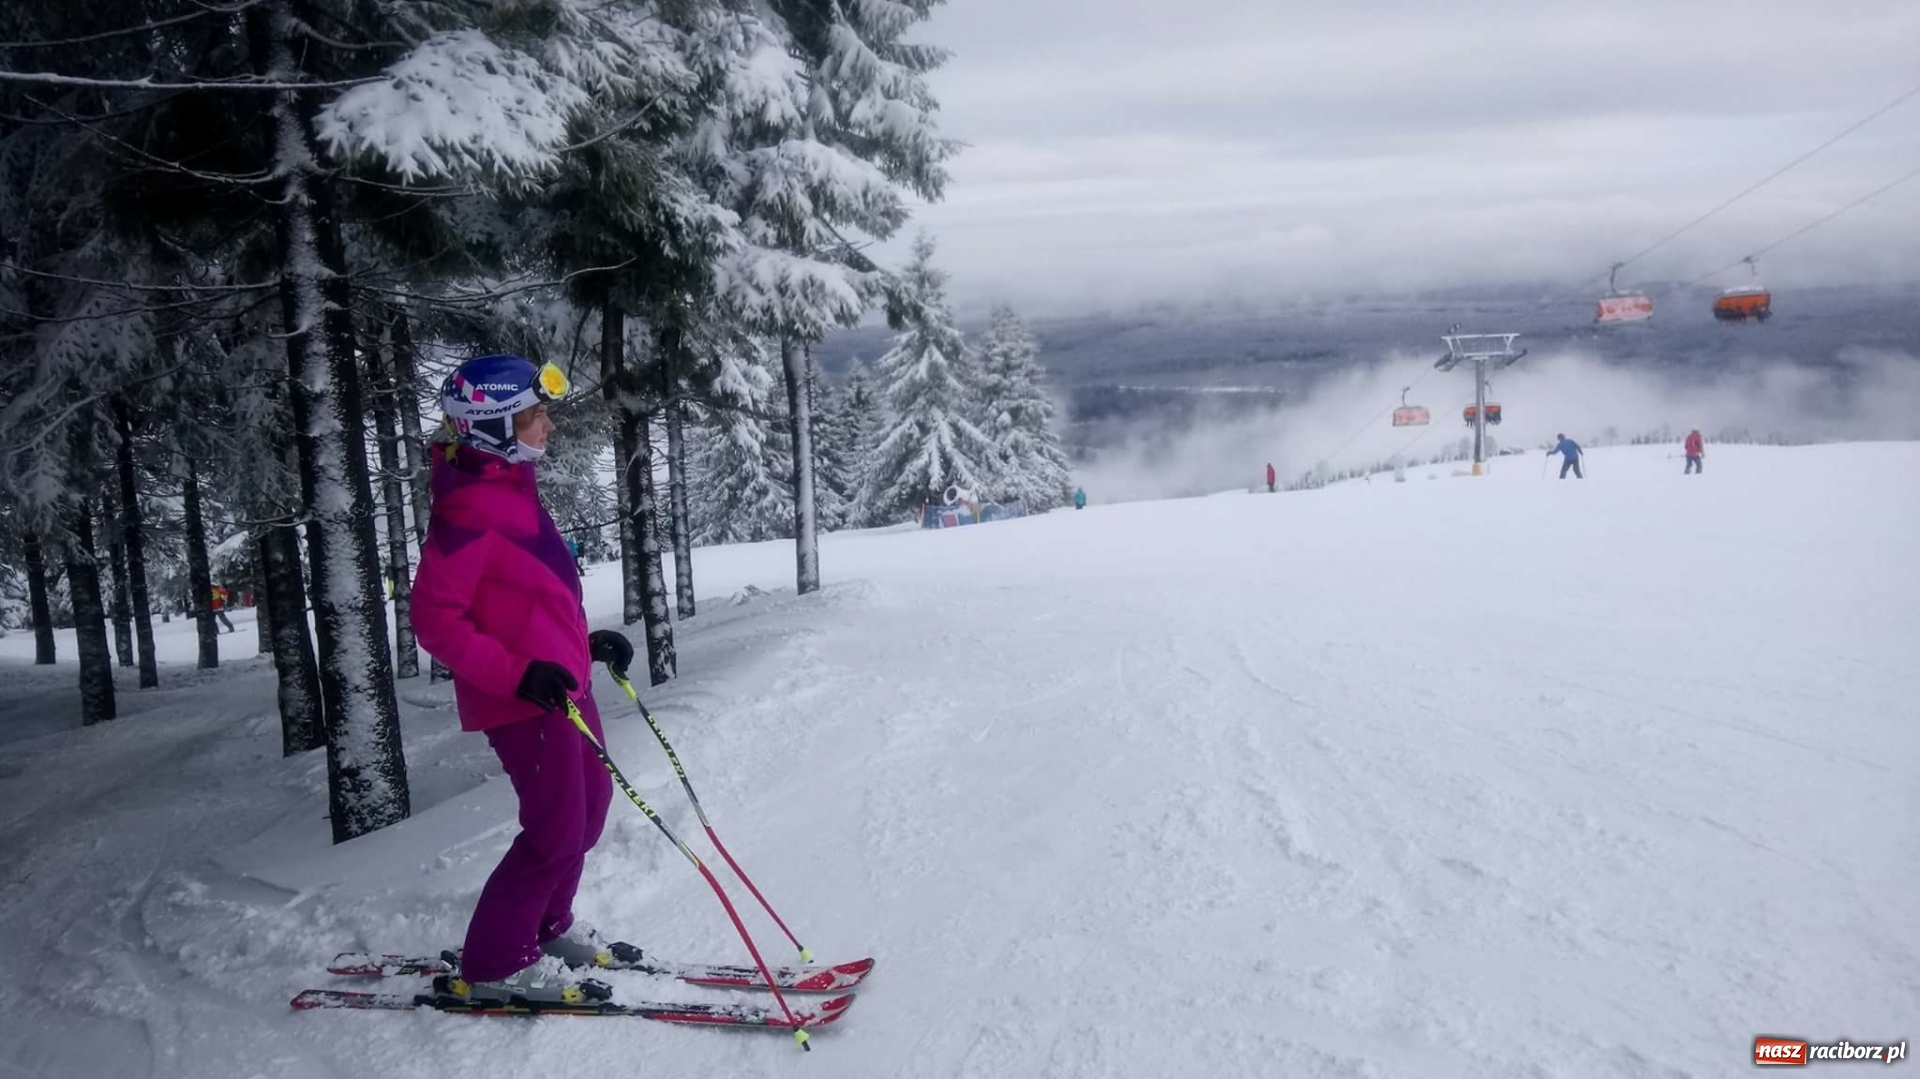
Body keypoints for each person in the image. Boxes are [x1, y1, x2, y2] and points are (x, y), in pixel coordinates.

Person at [411, 354, 637, 1006]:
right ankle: (496, 961)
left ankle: (544, 926)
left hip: (562, 684)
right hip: (524, 702)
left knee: (589, 813)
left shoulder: (512, 486)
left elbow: (524, 596)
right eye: (538, 416)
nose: (550, 427)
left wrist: (581, 643)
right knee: (555, 830)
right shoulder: (468, 510)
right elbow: (435, 618)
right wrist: (518, 671)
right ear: (494, 428)